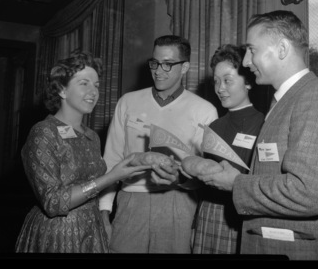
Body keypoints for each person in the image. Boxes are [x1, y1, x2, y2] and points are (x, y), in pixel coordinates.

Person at [195, 10, 318, 260]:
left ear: (282, 49)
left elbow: (308, 193)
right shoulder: (284, 101)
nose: (247, 62)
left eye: (252, 50)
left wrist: (235, 183)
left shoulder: (317, 97)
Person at [15, 52, 151, 253]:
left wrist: (104, 217)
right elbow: (53, 202)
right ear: (62, 89)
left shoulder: (91, 136)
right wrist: (113, 176)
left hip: (91, 232)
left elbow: (93, 189)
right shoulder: (43, 132)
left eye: (96, 85)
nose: (93, 91)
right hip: (57, 234)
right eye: (84, 83)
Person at [98, 35, 218, 253]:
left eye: (168, 64)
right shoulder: (128, 102)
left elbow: (205, 172)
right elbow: (112, 159)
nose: (158, 70)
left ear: (185, 67)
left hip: (177, 203)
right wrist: (104, 212)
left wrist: (180, 179)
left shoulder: (204, 110)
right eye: (154, 63)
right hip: (130, 201)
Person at [190, 44, 264, 254]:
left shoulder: (264, 124)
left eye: (227, 80)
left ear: (248, 82)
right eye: (216, 81)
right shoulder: (214, 127)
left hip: (242, 215)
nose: (220, 88)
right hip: (208, 213)